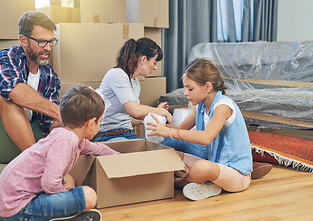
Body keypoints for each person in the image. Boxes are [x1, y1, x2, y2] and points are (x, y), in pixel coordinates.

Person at [0, 86, 120, 221]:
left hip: (6, 207)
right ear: (91, 123)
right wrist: (65, 195)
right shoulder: (66, 140)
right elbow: (49, 183)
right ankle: (63, 218)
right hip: (18, 212)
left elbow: (99, 149)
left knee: (70, 181)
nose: (99, 125)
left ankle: (61, 215)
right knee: (89, 196)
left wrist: (121, 158)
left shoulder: (70, 136)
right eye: (100, 122)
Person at [147, 58, 255, 201]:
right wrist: (159, 127)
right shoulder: (202, 106)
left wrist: (169, 132)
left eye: (190, 88)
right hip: (215, 163)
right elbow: (179, 129)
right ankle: (207, 185)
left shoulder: (223, 106)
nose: (185, 93)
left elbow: (206, 137)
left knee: (201, 168)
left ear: (208, 87)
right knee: (170, 155)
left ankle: (179, 182)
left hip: (236, 174)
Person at [0, 11, 62, 164]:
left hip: (26, 140)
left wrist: (70, 120)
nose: (48, 48)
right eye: (42, 42)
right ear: (23, 40)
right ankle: (38, 165)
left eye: (51, 41)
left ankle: (39, 157)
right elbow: (13, 91)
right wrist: (57, 111)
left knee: (64, 116)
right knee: (7, 98)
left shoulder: (50, 75)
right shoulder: (6, 57)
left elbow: (48, 122)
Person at [91, 37, 173, 142]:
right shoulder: (117, 74)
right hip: (108, 136)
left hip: (126, 134)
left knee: (175, 143)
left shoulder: (135, 82)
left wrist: (153, 114)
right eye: (155, 62)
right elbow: (135, 111)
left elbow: (131, 118)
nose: (155, 68)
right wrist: (162, 112)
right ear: (143, 59)